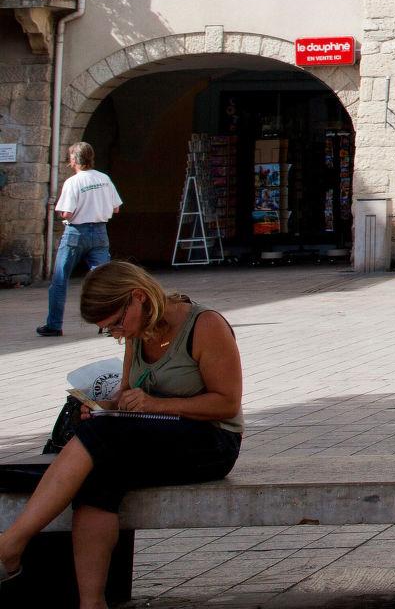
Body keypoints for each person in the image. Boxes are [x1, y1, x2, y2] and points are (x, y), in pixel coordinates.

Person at [0, 262, 242, 608]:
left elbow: (227, 403)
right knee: (98, 473)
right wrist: (100, 406)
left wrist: (156, 405)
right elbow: (125, 398)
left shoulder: (205, 325)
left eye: (115, 323)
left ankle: (11, 545)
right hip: (157, 436)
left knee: (102, 440)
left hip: (212, 441)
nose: (115, 334)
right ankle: (92, 602)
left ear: (138, 298)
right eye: (107, 330)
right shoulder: (136, 333)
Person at [38, 142, 122, 337]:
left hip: (76, 233)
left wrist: (62, 212)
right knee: (105, 281)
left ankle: (54, 324)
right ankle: (112, 323)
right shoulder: (104, 178)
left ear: (74, 160)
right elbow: (116, 207)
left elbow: (66, 213)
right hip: (100, 232)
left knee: (60, 279)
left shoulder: (73, 182)